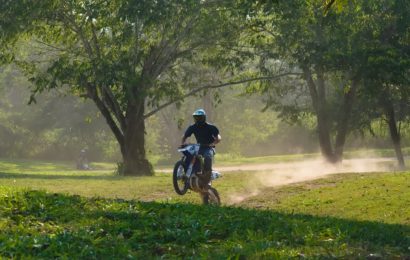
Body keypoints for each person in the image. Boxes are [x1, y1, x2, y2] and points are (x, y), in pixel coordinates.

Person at [181, 108, 221, 183]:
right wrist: (183, 143)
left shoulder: (211, 127)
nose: (198, 119)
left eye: (199, 117)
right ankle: (186, 173)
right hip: (198, 147)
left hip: (208, 147)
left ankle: (206, 175)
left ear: (204, 118)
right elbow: (185, 136)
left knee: (207, 157)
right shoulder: (192, 127)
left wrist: (213, 143)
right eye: (196, 117)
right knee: (187, 154)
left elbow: (218, 137)